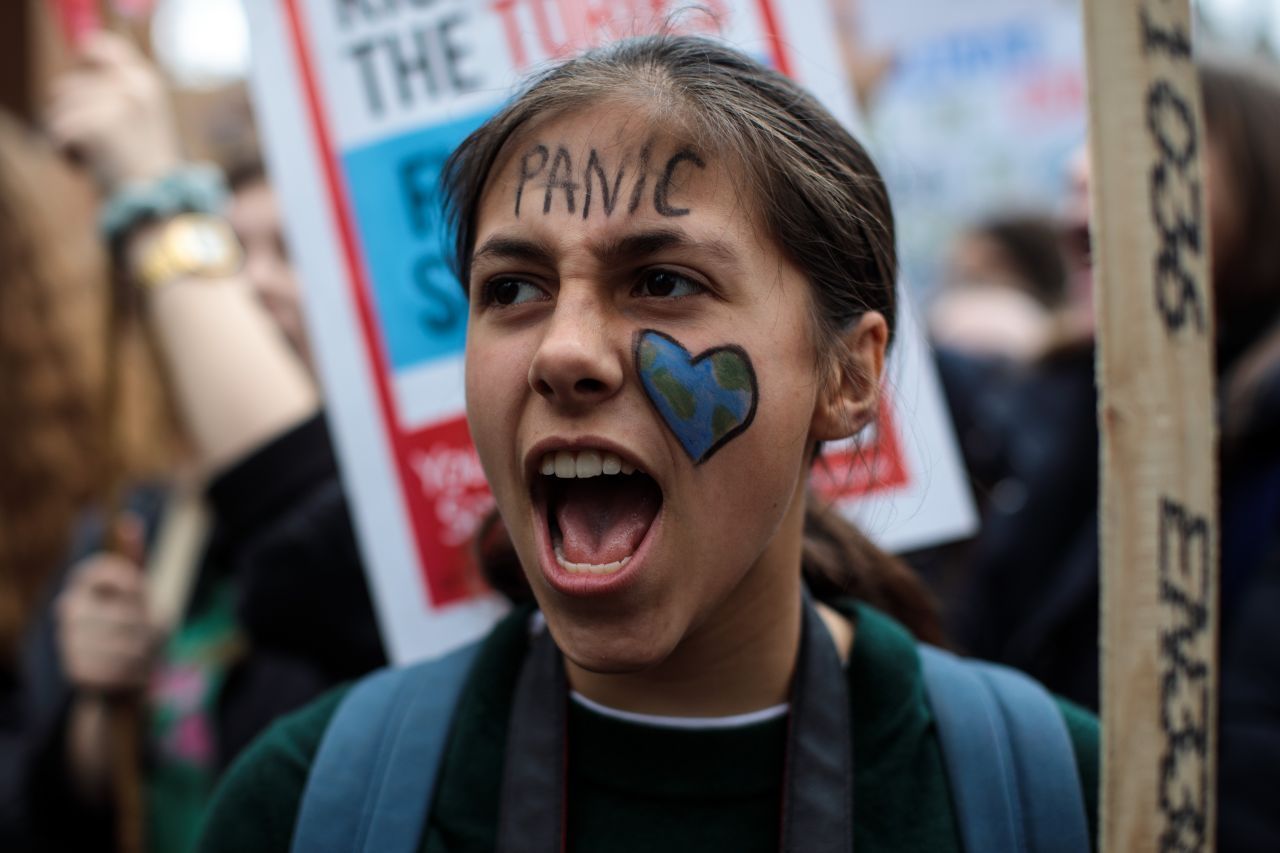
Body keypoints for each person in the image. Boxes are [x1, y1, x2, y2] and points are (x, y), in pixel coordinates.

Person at [197, 35, 1098, 853]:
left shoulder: (1066, 799)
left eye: (662, 280)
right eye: (512, 289)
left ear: (849, 377)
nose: (563, 352)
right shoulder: (305, 805)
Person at [22, 32, 384, 852]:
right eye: (232, 248)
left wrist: (154, 200)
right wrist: (93, 710)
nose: (250, 281)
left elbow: (304, 502)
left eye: (290, 253)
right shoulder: (134, 531)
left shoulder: (413, 544)